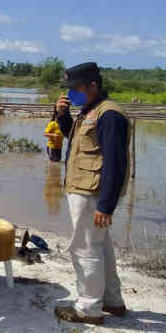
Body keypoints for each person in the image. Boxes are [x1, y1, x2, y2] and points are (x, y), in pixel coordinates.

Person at [53, 62, 130, 325]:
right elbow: (74, 140)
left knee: (85, 249)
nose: (71, 94)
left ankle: (88, 309)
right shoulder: (90, 111)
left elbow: (115, 163)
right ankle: (112, 301)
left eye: (75, 89)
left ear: (93, 86)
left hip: (92, 193)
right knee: (101, 247)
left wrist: (105, 206)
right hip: (87, 190)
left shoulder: (110, 115)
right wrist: (62, 115)